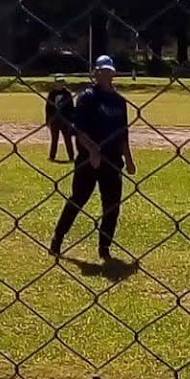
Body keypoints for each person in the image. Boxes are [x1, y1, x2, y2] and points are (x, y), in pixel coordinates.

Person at [50, 56, 136, 261]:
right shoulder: (87, 97)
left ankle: (104, 247)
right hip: (89, 160)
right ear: (95, 73)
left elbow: (123, 133)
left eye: (108, 70)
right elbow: (79, 129)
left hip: (113, 161)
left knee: (112, 206)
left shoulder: (119, 101)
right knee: (78, 200)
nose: (105, 74)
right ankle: (57, 239)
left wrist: (129, 160)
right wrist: (92, 152)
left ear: (113, 73)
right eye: (101, 70)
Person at [44, 74, 76, 161]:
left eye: (61, 83)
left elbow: (71, 107)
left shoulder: (67, 93)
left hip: (65, 120)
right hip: (55, 120)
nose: (60, 84)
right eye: (58, 83)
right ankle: (52, 157)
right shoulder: (52, 94)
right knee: (54, 139)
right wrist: (48, 119)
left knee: (68, 139)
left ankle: (71, 157)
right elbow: (48, 107)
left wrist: (72, 120)